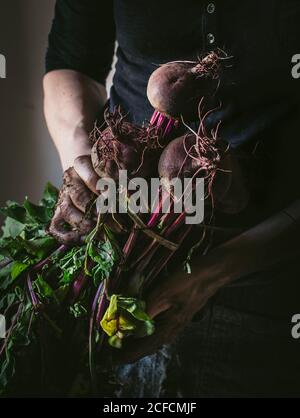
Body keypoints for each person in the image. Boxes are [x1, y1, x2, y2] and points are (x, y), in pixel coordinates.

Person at [44, 0, 300, 397]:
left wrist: (214, 272)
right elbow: (71, 61)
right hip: (120, 253)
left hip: (270, 278)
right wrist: (85, 168)